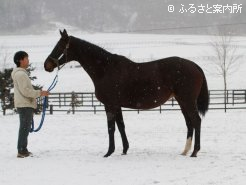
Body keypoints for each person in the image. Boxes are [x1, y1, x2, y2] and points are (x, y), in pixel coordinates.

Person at [11, 51, 49, 158]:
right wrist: (40, 93)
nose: (28, 61)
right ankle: (21, 150)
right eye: (26, 58)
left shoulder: (20, 74)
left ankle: (23, 149)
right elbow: (26, 91)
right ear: (20, 60)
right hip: (25, 104)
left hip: (25, 104)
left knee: (25, 127)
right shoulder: (21, 74)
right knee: (24, 128)